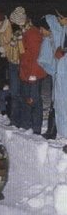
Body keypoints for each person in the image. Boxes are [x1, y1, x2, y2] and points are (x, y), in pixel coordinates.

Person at [10, 7, 46, 134]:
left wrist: (33, 75)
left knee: (34, 100)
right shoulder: (22, 33)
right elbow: (23, 54)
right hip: (25, 72)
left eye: (14, 23)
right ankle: (25, 125)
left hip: (33, 73)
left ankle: (36, 129)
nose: (13, 26)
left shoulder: (33, 34)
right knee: (26, 99)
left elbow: (36, 57)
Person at [43, 9, 67, 138]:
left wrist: (63, 52)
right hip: (62, 73)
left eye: (60, 18)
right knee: (62, 105)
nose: (59, 20)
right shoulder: (64, 30)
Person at [37, 16, 57, 139]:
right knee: (54, 101)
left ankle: (53, 129)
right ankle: (52, 129)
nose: (40, 31)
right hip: (56, 75)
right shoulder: (48, 39)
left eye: (42, 29)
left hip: (61, 75)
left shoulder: (58, 38)